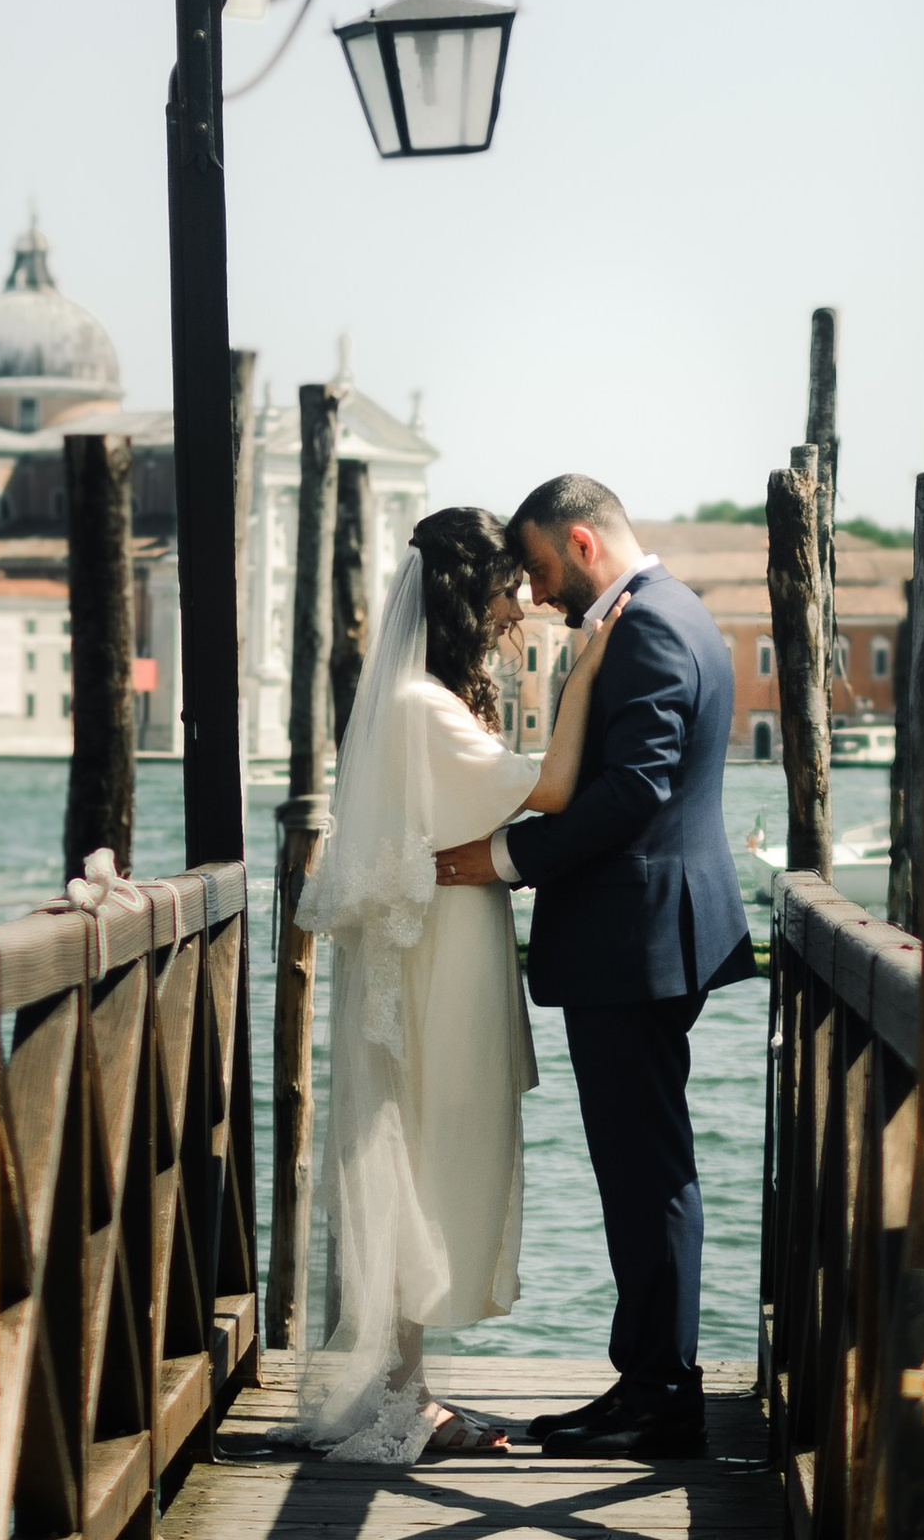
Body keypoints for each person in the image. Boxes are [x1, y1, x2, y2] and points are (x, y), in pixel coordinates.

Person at [296, 503, 630, 1465]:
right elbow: (551, 791)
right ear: (463, 594)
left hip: (445, 946)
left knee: (421, 1153)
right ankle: (406, 1399)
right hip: (438, 963)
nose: (517, 608)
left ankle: (407, 1390)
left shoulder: (420, 701)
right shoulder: (423, 708)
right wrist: (583, 677)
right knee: (421, 1153)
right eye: (504, 590)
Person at [433, 473, 753, 1461]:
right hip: (650, 935)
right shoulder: (673, 611)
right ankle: (649, 1382)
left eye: (537, 568)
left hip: (637, 942)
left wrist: (503, 860)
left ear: (580, 542)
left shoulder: (648, 626)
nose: (534, 594)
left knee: (643, 1171)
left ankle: (659, 1396)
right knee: (642, 1167)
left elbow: (633, 793)